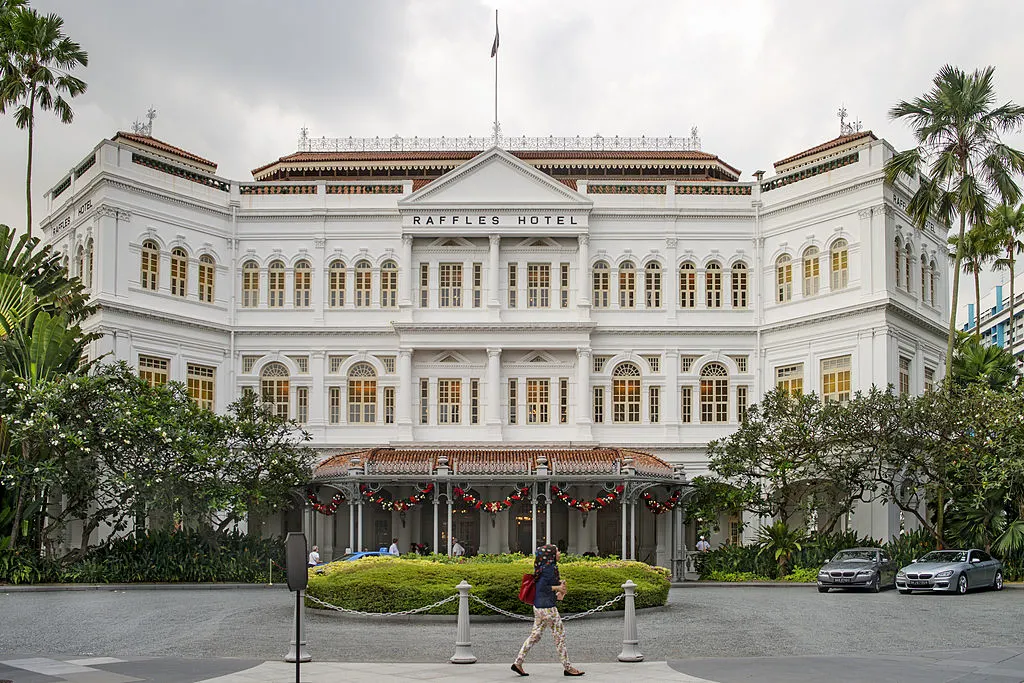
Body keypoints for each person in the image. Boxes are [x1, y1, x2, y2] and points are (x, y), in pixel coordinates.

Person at [511, 544, 584, 677]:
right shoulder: (549, 568)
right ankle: (568, 667)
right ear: (551, 555)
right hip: (548, 608)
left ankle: (518, 662)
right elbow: (543, 587)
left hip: (539, 607)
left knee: (535, 635)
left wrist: (559, 584)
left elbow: (545, 584)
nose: (560, 553)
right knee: (559, 636)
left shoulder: (543, 566)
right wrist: (559, 589)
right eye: (557, 551)